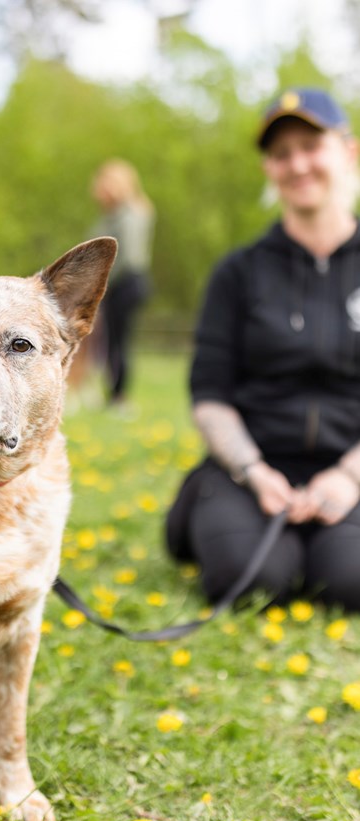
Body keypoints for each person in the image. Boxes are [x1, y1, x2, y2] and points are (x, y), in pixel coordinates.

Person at [166, 88, 360, 613]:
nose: (297, 164)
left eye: (310, 145)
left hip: (350, 468)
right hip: (252, 466)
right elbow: (209, 393)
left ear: (349, 151)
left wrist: (348, 476)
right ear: (269, 169)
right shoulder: (239, 272)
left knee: (350, 583)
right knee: (251, 581)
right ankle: (206, 507)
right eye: (280, 153)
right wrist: (253, 470)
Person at [88, 159, 155, 406]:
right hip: (118, 283)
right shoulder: (115, 214)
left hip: (125, 283)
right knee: (110, 341)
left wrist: (98, 285)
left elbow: (128, 257)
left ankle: (119, 397)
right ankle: (113, 394)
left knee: (117, 341)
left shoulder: (132, 214)